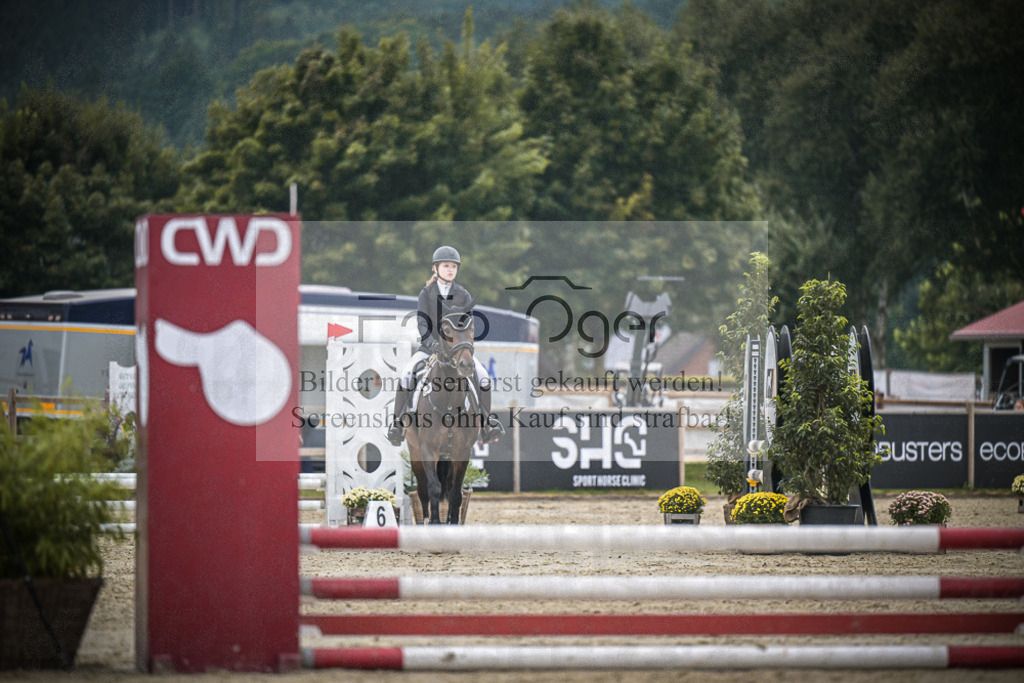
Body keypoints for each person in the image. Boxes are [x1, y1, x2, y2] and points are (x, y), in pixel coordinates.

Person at [386, 245, 505, 446]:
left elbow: (468, 324)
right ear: (435, 268)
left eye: (453, 267)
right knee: (406, 374)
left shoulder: (463, 294)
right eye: (446, 266)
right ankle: (397, 424)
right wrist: (432, 343)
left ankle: (487, 421)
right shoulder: (427, 293)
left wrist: (465, 344)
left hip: (458, 349)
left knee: (483, 376)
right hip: (429, 349)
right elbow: (422, 323)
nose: (450, 270)